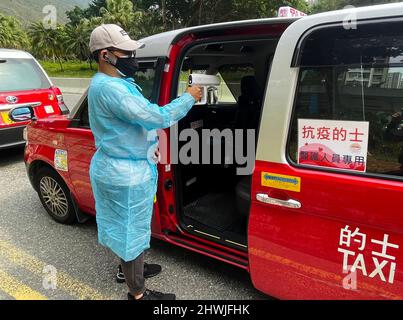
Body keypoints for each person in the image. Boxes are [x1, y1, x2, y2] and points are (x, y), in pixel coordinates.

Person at [88, 24, 202, 300]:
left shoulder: (112, 83)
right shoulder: (112, 89)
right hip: (124, 172)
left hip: (121, 166)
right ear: (106, 55)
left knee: (128, 228)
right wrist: (189, 97)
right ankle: (137, 293)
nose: (132, 57)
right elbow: (156, 117)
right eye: (126, 52)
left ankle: (128, 268)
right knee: (129, 232)